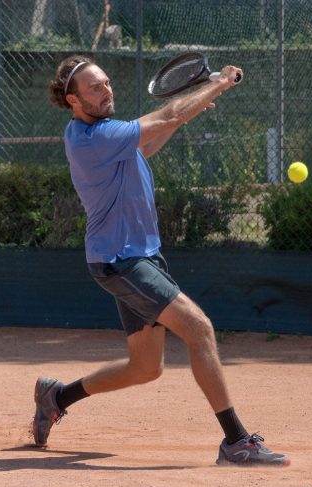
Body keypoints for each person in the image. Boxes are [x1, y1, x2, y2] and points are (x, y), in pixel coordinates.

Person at [35, 54, 290, 466]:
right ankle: (236, 441)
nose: (106, 90)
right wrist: (219, 83)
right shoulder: (93, 137)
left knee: (144, 368)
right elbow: (167, 112)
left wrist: (180, 116)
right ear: (73, 101)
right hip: (121, 261)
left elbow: (148, 143)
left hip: (140, 255)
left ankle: (57, 396)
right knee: (199, 329)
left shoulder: (101, 133)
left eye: (106, 82)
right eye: (95, 88)